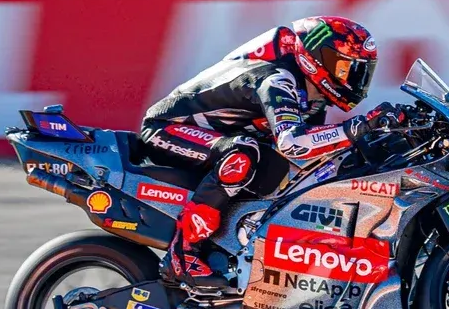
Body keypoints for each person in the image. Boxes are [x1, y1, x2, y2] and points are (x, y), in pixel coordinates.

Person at [139, 16, 405, 290]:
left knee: (285, 170)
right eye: (346, 67)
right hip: (167, 129)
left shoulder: (313, 97)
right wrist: (356, 128)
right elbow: (292, 142)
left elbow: (309, 156)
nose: (353, 79)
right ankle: (182, 254)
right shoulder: (277, 78)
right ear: (317, 58)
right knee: (242, 154)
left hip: (222, 138)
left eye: (361, 72)